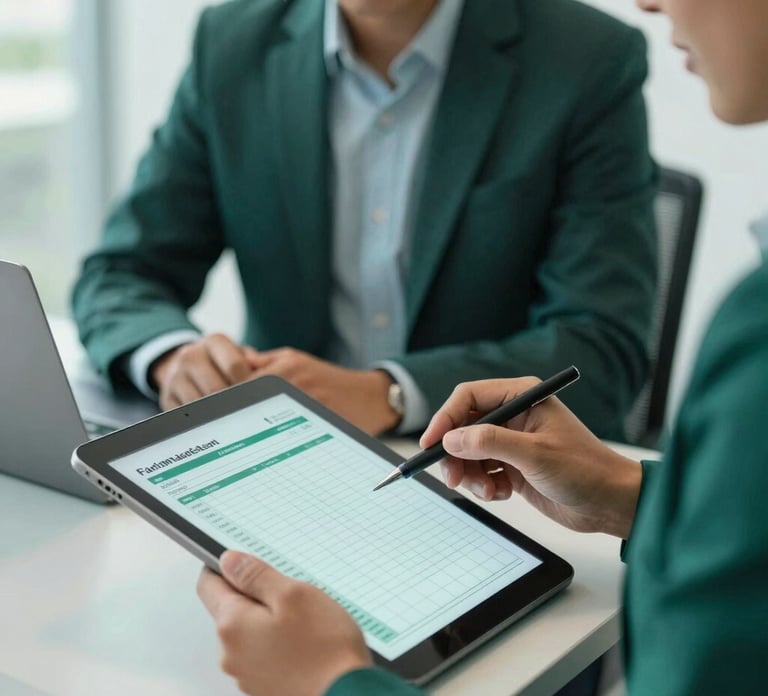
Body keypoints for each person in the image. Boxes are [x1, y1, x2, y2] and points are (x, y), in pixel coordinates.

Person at [196, 0, 768, 696]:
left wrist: (334, 689)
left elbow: (604, 339)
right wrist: (632, 494)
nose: (648, 0)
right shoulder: (234, 38)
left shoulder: (759, 323)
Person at [72, 0, 656, 438]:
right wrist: (172, 356)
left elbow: (600, 347)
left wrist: (390, 393)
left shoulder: (586, 59)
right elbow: (121, 273)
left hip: (490, 476)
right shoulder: (232, 44)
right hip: (279, 461)